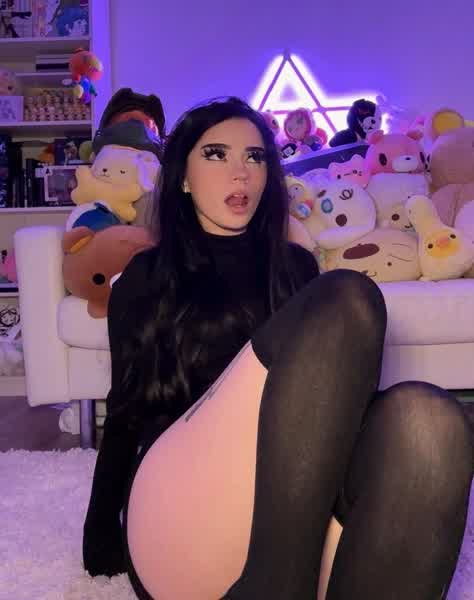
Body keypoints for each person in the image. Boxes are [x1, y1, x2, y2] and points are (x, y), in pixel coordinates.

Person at [83, 96, 473, 599]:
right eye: (216, 155)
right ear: (183, 178)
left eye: (255, 157)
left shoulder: (296, 268)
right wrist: (100, 532)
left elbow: (333, 413)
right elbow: (123, 410)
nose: (241, 173)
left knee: (431, 422)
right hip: (183, 520)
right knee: (348, 296)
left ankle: (282, 580)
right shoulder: (145, 276)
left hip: (294, 514)